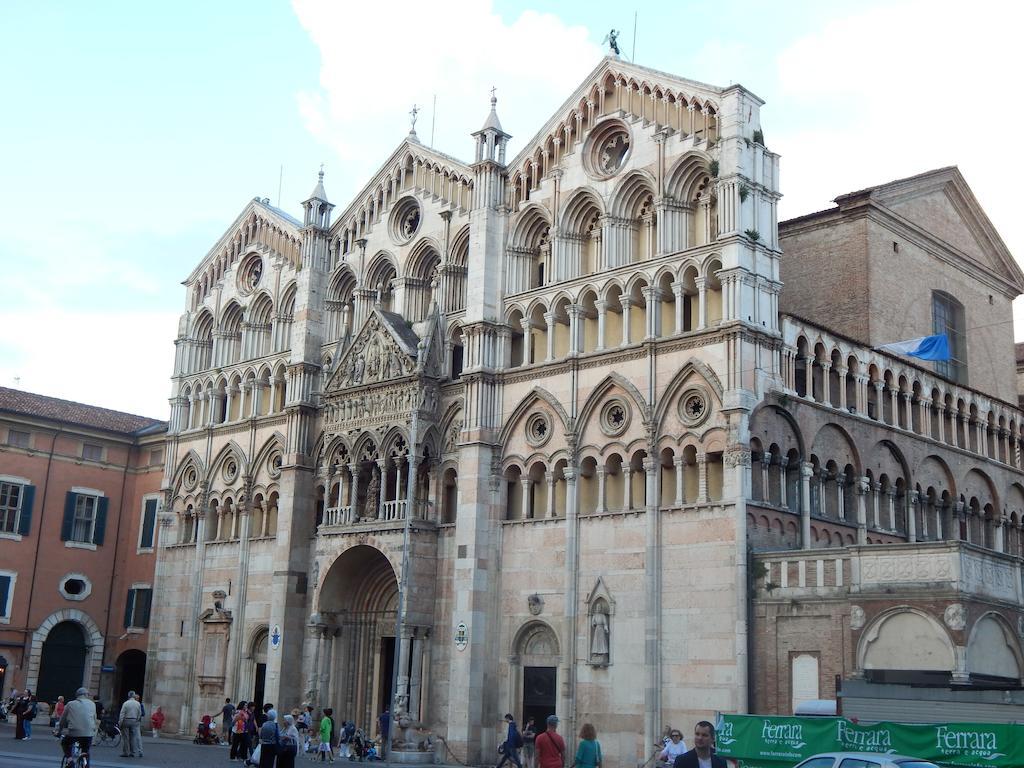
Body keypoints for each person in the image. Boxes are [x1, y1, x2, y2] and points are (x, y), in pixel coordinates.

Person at [59, 688, 98, 762]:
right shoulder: (92, 704)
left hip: (74, 732)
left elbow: (62, 720)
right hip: (88, 732)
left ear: (77, 695)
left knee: (65, 743)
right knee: (85, 749)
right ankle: (84, 759)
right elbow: (94, 718)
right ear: (86, 695)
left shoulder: (70, 704)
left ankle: (70, 760)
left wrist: (59, 731)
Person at [119, 689, 144, 758]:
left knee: (126, 738)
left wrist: (120, 723)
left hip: (126, 720)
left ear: (128, 696)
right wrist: (136, 720)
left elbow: (122, 714)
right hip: (134, 721)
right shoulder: (138, 703)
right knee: (132, 738)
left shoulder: (126, 703)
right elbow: (140, 713)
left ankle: (126, 752)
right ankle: (132, 752)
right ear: (134, 696)